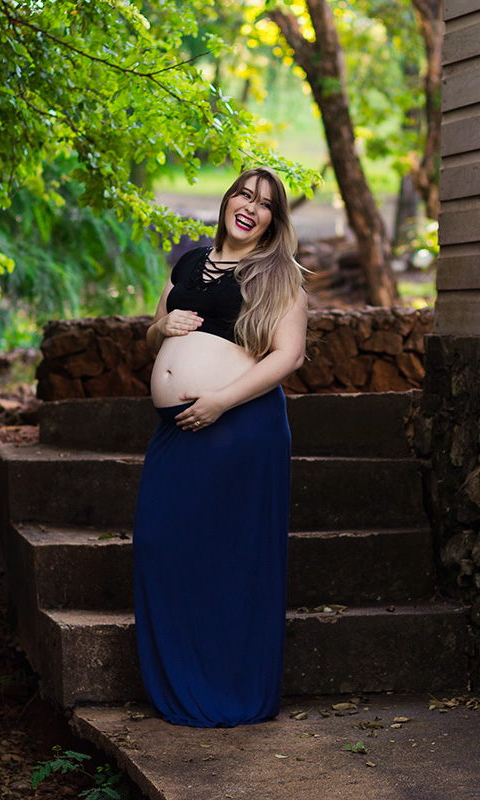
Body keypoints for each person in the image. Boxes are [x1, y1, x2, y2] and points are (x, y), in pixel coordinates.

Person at [132, 167, 308, 728]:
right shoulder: (188, 263)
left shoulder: (278, 274)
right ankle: (183, 679)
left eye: (265, 204)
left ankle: (226, 687)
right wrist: (162, 328)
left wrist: (221, 402)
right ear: (228, 200)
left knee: (228, 559)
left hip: (239, 427)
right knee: (158, 543)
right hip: (177, 431)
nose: (250, 208)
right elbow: (153, 334)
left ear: (273, 221)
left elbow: (289, 355)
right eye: (244, 195)